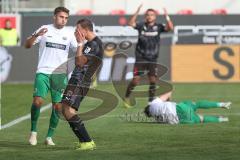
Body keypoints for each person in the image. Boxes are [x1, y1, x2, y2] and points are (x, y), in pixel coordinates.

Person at [24, 7, 77, 146]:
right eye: (61, 17)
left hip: (59, 75)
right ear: (54, 17)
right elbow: (27, 45)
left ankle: (49, 137)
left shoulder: (70, 33)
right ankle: (33, 132)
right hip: (43, 71)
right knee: (37, 102)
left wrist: (82, 44)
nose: (63, 20)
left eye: (66, 18)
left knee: (58, 107)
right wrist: (36, 35)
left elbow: (78, 52)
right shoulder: (44, 29)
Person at [61, 18, 103, 150]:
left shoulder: (93, 44)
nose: (75, 31)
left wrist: (79, 44)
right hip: (79, 80)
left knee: (68, 110)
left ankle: (87, 141)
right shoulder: (92, 43)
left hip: (80, 81)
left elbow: (79, 62)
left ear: (85, 30)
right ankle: (84, 141)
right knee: (66, 108)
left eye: (77, 29)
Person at [124, 5, 174, 108]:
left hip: (152, 58)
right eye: (147, 15)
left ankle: (150, 101)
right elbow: (130, 24)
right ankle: (127, 97)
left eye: (151, 15)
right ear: (145, 16)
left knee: (153, 80)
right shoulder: (141, 25)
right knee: (135, 81)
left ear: (155, 16)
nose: (149, 16)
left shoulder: (159, 26)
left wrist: (167, 16)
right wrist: (137, 11)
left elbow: (170, 28)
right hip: (140, 58)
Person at [144, 91, 231, 124]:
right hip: (179, 108)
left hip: (181, 120)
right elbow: (169, 93)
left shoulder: (158, 120)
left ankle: (222, 119)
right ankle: (221, 104)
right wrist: (168, 102)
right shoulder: (153, 103)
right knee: (195, 104)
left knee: (201, 119)